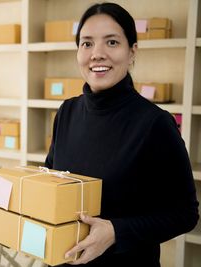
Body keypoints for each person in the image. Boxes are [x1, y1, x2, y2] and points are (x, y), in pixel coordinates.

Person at [45, 2, 199, 266]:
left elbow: (185, 214)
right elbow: (51, 178)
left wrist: (116, 231)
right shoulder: (67, 111)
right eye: (87, 43)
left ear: (132, 52)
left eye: (112, 43)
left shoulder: (155, 123)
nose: (97, 54)